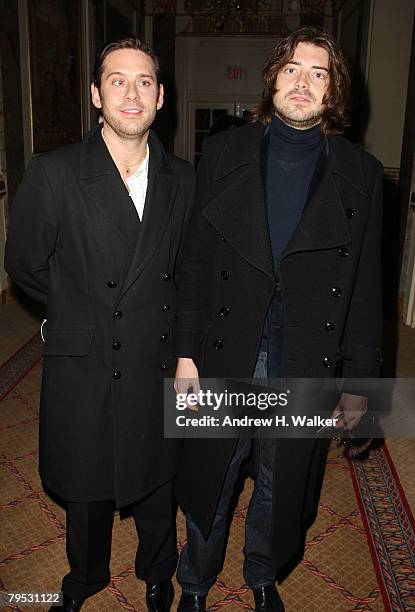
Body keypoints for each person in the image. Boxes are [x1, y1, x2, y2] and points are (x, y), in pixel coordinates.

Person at [173, 26, 383, 612]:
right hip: (227, 344)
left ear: (333, 92)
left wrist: (360, 383)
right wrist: (186, 353)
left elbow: (366, 286)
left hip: (304, 354)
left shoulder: (361, 174)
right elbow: (195, 259)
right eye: (292, 68)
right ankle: (195, 581)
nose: (303, 81)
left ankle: (262, 573)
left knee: (280, 480)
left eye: (319, 73)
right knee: (211, 473)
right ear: (273, 80)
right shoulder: (223, 152)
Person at [5, 36, 194, 612]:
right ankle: (85, 573)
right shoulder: (56, 172)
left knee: (158, 477)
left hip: (157, 355)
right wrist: (75, 316)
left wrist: (187, 353)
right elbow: (25, 265)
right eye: (117, 80)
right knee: (86, 477)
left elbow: (189, 274)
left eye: (143, 82)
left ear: (161, 97)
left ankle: (159, 570)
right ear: (95, 94)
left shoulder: (185, 178)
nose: (130, 94)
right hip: (85, 356)